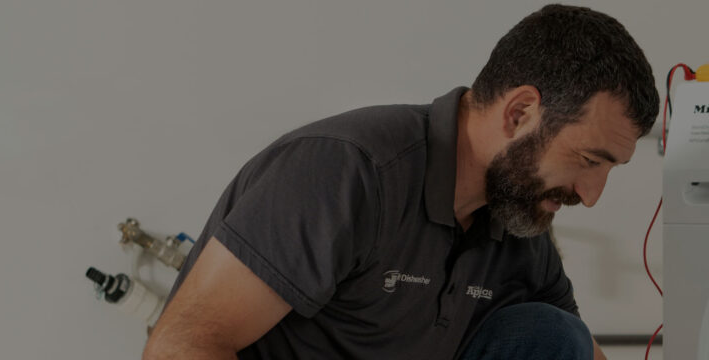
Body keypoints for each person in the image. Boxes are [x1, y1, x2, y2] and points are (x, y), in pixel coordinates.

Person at [142, 4, 658, 359]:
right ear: (520, 112)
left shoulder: (518, 226)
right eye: (590, 160)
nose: (591, 195)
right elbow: (181, 345)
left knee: (555, 336)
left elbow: (579, 352)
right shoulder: (345, 172)